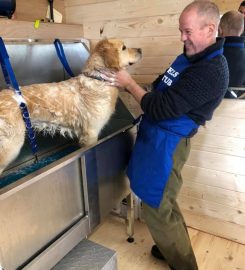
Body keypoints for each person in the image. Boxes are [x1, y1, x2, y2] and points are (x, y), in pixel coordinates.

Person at [102, 1, 229, 270]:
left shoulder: (212, 70)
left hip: (168, 145)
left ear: (210, 29)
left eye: (187, 31)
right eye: (180, 31)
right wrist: (137, 87)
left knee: (157, 206)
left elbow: (161, 108)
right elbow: (161, 85)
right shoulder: (189, 55)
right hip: (155, 137)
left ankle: (185, 265)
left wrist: (129, 85)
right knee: (165, 201)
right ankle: (169, 244)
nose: (182, 38)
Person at [219, 10, 245, 98]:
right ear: (242, 30)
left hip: (212, 106)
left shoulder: (214, 53)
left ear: (220, 30)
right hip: (238, 107)